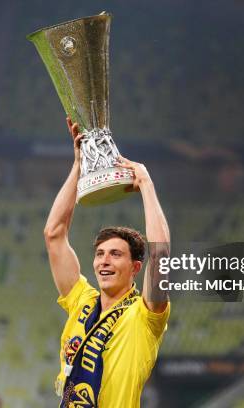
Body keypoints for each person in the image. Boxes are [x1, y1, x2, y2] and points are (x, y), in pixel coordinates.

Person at [44, 117, 171, 407]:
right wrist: (78, 165)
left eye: (116, 254)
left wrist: (145, 184)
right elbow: (54, 234)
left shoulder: (146, 315)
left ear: (135, 268)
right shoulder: (82, 302)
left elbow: (160, 254)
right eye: (100, 254)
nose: (104, 261)